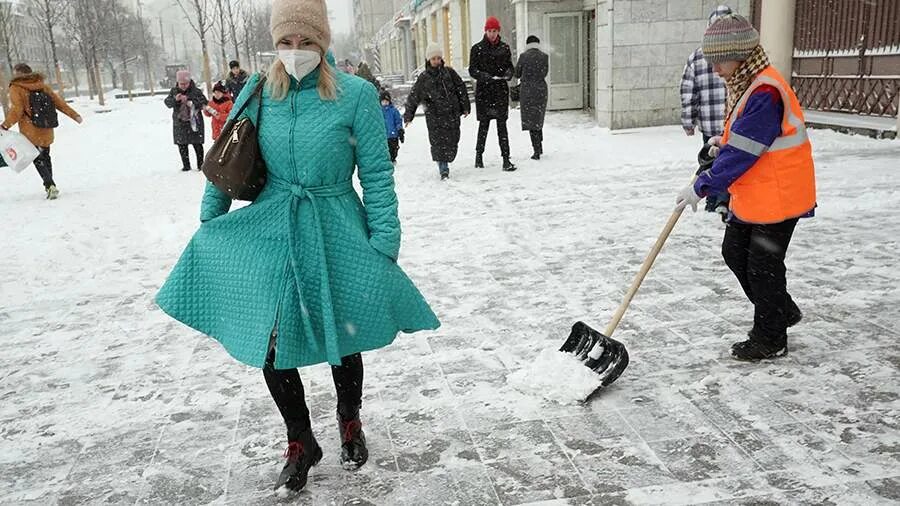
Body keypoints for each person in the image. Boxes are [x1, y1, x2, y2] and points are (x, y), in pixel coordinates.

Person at [155, 0, 440, 495]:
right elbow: (229, 157)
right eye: (286, 42)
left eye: (305, 42)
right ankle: (300, 440)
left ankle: (349, 418)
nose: (294, 51)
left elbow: (375, 174)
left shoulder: (355, 96)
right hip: (271, 226)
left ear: (322, 43)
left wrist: (385, 238)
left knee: (341, 334)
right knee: (273, 342)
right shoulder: (258, 91)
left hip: (335, 224)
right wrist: (211, 221)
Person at [675, 14, 816, 362]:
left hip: (780, 195)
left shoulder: (765, 90)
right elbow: (737, 138)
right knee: (735, 252)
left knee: (762, 266)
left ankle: (770, 337)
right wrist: (715, 145)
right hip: (758, 195)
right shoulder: (746, 84)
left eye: (720, 61)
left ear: (741, 54)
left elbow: (745, 151)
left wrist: (705, 185)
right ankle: (780, 310)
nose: (716, 69)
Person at [1, 63, 82, 199]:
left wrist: (5, 125)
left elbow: (17, 110)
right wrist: (75, 115)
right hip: (46, 126)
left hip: (30, 128)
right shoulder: (42, 85)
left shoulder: (16, 87)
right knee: (45, 156)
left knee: (37, 158)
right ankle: (50, 186)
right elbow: (59, 103)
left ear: (18, 73)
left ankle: (49, 185)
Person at [681, 5, 733, 216]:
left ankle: (714, 200)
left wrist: (688, 120)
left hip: (711, 124)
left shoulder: (696, 57)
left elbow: (688, 93)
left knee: (713, 162)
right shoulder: (739, 59)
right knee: (725, 161)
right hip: (729, 125)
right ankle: (721, 199)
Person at [404, 43, 470, 181]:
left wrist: (465, 106)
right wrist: (409, 115)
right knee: (439, 143)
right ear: (429, 60)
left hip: (451, 114)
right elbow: (414, 96)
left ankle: (446, 161)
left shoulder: (449, 72)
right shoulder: (424, 77)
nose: (436, 61)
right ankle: (443, 169)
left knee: (452, 140)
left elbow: (461, 88)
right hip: (435, 116)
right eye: (433, 58)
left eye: (438, 58)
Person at [468, 16, 516, 171]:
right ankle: (478, 156)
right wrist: (484, 76)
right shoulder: (477, 49)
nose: (492, 34)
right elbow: (472, 70)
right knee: (484, 126)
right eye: (489, 31)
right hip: (485, 93)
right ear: (485, 31)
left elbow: (510, 67)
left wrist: (508, 74)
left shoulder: (504, 48)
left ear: (498, 31)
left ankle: (506, 159)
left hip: (500, 92)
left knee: (502, 127)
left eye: (494, 31)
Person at [164, 70, 208, 171]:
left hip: (194, 123)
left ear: (189, 82)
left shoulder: (196, 91)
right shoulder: (174, 91)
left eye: (185, 83)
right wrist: (176, 100)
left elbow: (204, 102)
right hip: (180, 123)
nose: (183, 86)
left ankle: (201, 165)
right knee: (182, 145)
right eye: (181, 84)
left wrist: (190, 100)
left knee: (197, 144)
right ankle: (186, 166)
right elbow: (167, 103)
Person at [515, 35, 548, 160]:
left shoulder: (524, 57)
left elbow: (517, 74)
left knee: (530, 120)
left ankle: (536, 150)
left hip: (527, 91)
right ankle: (539, 146)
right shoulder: (544, 57)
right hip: (541, 90)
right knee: (538, 117)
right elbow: (544, 72)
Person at [380, 90, 403, 164]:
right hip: (383, 135)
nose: (385, 103)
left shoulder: (394, 111)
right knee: (385, 149)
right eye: (383, 101)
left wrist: (400, 129)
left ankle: (393, 159)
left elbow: (398, 121)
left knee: (394, 148)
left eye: (386, 101)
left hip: (393, 135)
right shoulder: (379, 111)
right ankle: (386, 160)